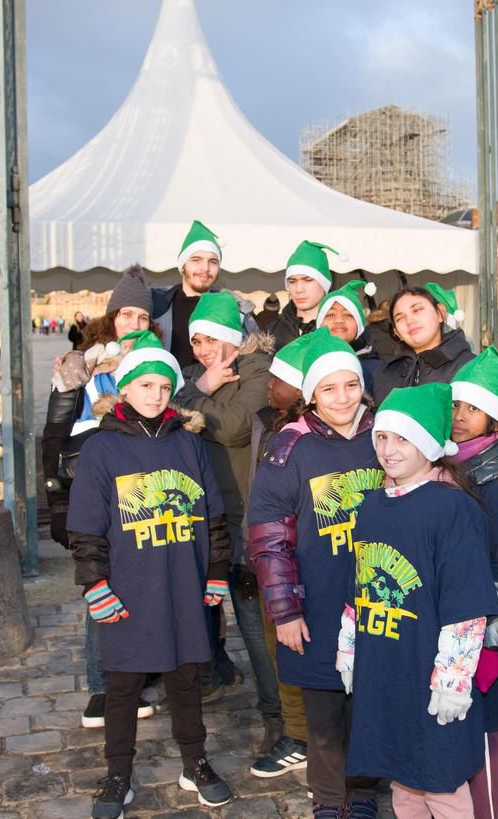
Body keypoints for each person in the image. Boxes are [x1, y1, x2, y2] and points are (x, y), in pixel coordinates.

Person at [67, 329, 235, 816]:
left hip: (182, 582)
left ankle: (195, 761)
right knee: (123, 684)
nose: (157, 396)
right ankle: (118, 773)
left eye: (165, 388)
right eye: (146, 387)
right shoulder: (102, 449)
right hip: (129, 584)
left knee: (185, 677)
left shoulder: (189, 444)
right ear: (126, 389)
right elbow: (87, 528)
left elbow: (213, 515)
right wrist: (95, 583)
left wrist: (216, 572)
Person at [339, 382, 498, 819]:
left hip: (430, 671)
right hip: (384, 669)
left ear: (429, 444)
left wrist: (453, 678)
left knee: (440, 781)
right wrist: (350, 647)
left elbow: (466, 605)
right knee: (402, 778)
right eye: (382, 437)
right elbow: (362, 584)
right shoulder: (370, 506)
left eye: (403, 439)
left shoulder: (453, 510)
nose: (388, 450)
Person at [248, 329, 384, 819]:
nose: (342, 397)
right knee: (325, 708)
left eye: (351, 385)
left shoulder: (384, 435)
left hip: (376, 595)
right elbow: (269, 539)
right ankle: (329, 797)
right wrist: (284, 610)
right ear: (311, 395)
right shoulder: (291, 448)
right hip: (320, 599)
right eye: (329, 388)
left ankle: (364, 790)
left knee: (369, 702)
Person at [41, 266, 166, 730]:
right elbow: (57, 437)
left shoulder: (155, 364)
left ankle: (141, 675)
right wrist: (58, 503)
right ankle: (102, 686)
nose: (133, 324)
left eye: (141, 316)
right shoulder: (85, 365)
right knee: (103, 587)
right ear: (111, 318)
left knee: (144, 587)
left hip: (144, 494)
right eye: (125, 314)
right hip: (99, 490)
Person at [174, 291, 280, 742]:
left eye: (208, 340)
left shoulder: (258, 371)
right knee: (225, 616)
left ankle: (279, 717)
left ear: (232, 338)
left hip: (250, 515)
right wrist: (200, 388)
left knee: (258, 628)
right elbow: (166, 411)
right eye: (195, 342)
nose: (200, 350)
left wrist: (195, 400)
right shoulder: (200, 376)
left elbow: (235, 426)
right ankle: (214, 678)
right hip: (211, 514)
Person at [449, 348, 498, 819]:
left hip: (484, 626)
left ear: (496, 418)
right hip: (453, 617)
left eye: (472, 408)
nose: (458, 417)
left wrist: (490, 637)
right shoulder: (452, 463)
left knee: (484, 731)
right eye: (455, 406)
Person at [248, 334, 315, 779]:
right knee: (283, 650)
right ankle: (298, 732)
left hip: (310, 558)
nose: (269, 386)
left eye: (280, 379)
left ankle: (312, 736)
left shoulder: (303, 440)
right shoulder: (270, 426)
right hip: (276, 558)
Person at [150, 220, 258, 366]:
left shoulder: (236, 309)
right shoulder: (156, 307)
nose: (205, 268)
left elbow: (253, 359)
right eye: (196, 260)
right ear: (182, 266)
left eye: (213, 262)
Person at [372, 283, 475, 404]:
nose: (409, 321)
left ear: (440, 313)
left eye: (417, 310)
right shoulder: (384, 374)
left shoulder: (470, 367)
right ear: (397, 333)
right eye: (400, 318)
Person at [315, 280, 383, 394]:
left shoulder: (378, 371)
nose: (339, 320)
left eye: (348, 315)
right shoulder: (306, 364)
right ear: (319, 323)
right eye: (330, 315)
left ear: (359, 325)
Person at [271, 240, 339, 347]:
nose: (298, 289)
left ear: (324, 283)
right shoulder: (271, 333)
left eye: (308, 280)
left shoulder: (341, 329)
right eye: (292, 281)